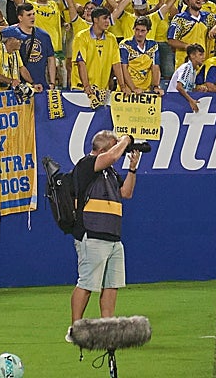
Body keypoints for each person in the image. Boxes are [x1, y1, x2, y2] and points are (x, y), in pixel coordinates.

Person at [68, 129, 140, 341]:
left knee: (111, 284)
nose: (118, 149)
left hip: (113, 235)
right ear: (102, 149)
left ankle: (108, 328)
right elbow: (114, 156)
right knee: (87, 283)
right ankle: (75, 329)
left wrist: (133, 169)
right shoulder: (87, 164)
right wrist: (126, 139)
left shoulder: (110, 172)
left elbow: (126, 193)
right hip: (92, 233)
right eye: (114, 145)